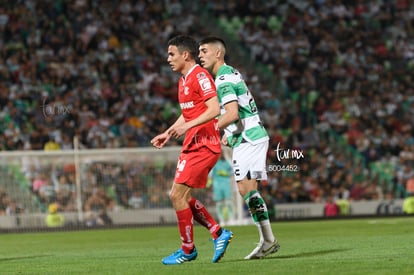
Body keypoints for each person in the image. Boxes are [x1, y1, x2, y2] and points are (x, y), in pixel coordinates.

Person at [151, 35, 233, 265]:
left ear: (185, 55)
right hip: (192, 143)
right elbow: (187, 113)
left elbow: (215, 108)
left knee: (177, 195)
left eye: (171, 54)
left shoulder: (200, 76)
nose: (168, 59)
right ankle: (218, 232)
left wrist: (186, 126)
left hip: (205, 144)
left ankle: (188, 250)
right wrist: (168, 132)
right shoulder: (183, 80)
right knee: (182, 197)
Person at [198, 36, 280, 260]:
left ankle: (268, 239)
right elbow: (238, 112)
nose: (200, 55)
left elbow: (232, 113)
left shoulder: (223, 79)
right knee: (249, 190)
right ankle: (267, 239)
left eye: (204, 51)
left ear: (218, 53)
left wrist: (211, 129)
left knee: (245, 190)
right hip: (250, 135)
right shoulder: (230, 73)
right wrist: (228, 132)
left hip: (249, 140)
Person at [208, 152, 235, 226]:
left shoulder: (227, 162)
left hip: (226, 184)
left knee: (228, 202)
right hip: (217, 185)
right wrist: (209, 183)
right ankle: (221, 220)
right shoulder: (214, 163)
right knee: (219, 203)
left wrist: (226, 173)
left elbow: (232, 171)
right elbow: (210, 174)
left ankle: (231, 219)